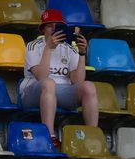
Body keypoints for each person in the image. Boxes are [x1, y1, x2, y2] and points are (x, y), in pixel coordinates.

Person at [20, 10, 98, 147]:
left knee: (89, 86)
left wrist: (82, 53)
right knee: (49, 83)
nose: (54, 29)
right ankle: (49, 135)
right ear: (43, 29)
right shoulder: (33, 46)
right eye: (50, 26)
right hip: (33, 91)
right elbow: (42, 76)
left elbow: (77, 81)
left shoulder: (69, 49)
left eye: (57, 26)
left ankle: (93, 136)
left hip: (62, 91)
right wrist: (49, 48)